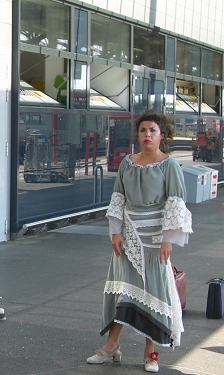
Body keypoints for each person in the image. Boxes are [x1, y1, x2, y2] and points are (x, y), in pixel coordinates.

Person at [86, 110, 192, 373]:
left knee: (153, 293)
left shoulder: (170, 165)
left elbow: (175, 203)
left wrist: (168, 239)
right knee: (125, 291)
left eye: (152, 131)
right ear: (138, 134)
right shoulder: (127, 163)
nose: (147, 135)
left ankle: (151, 352)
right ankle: (112, 346)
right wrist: (115, 232)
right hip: (129, 236)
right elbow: (118, 198)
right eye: (143, 130)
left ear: (162, 135)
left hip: (156, 239)